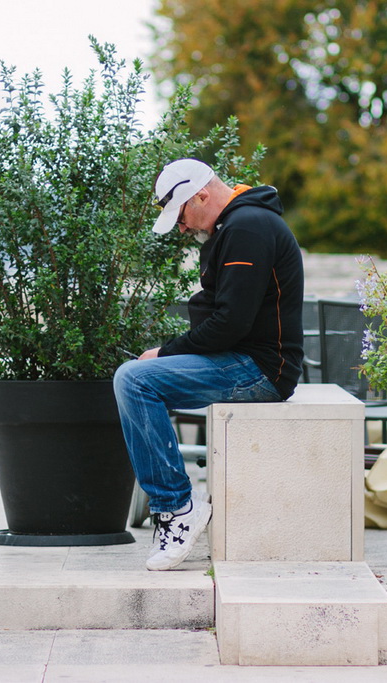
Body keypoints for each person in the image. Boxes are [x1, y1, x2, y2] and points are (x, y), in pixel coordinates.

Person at [114, 158, 304, 571]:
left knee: (134, 381)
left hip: (259, 370)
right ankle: (173, 503)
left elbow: (229, 323)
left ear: (201, 194)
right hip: (245, 359)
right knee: (138, 378)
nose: (182, 228)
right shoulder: (236, 226)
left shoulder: (247, 228)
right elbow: (225, 317)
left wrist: (165, 353)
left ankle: (176, 507)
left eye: (181, 215)